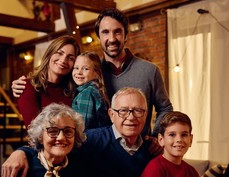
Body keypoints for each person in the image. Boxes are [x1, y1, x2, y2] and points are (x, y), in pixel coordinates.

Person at [1, 87, 157, 177]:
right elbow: (53, 147)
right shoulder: (91, 140)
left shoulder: (153, 149)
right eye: (123, 110)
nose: (131, 117)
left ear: (146, 114)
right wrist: (21, 151)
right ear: (111, 114)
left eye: (138, 110)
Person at [12, 8, 173, 136]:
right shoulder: (88, 76)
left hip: (139, 151)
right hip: (100, 155)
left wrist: (156, 136)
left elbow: (165, 108)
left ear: (126, 35)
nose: (112, 38)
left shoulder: (149, 70)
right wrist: (21, 84)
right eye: (105, 32)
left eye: (117, 31)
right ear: (98, 37)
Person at [17, 35, 80, 127]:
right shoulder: (28, 86)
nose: (63, 60)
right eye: (59, 53)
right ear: (50, 54)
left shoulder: (74, 90)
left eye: (70, 58)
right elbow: (34, 129)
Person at [72, 51, 110, 129]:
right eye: (76, 68)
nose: (79, 72)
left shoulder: (87, 93)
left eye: (85, 69)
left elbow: (83, 127)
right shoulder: (94, 89)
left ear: (96, 73)